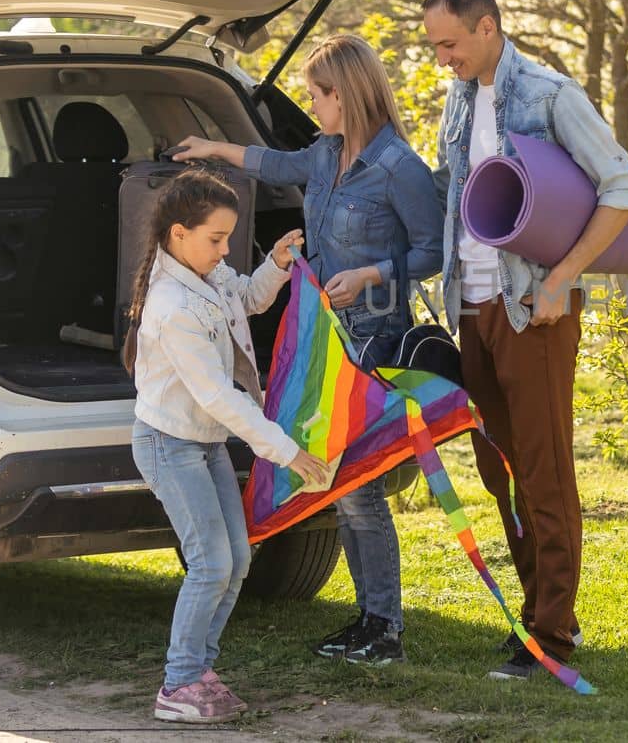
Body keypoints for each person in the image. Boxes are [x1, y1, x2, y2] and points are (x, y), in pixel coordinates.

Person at [172, 34, 444, 668]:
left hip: (373, 340)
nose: (312, 104)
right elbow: (271, 163)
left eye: (318, 95)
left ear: (346, 95)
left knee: (358, 488)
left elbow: (432, 253)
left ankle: (385, 627)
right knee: (341, 484)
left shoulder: (399, 167)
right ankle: (372, 619)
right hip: (325, 338)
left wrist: (372, 274)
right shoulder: (325, 155)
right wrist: (212, 147)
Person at [421, 0, 628, 680]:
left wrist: (560, 279)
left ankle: (553, 629)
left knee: (543, 469)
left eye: (450, 44)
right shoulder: (457, 103)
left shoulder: (550, 95)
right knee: (500, 467)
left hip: (534, 309)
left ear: (488, 26)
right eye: (434, 46)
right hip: (473, 308)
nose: (442, 59)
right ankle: (532, 614)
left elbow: (624, 187)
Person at [123, 169, 335, 724]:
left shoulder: (209, 278)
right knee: (211, 562)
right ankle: (178, 684)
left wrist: (277, 265)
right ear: (178, 234)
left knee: (236, 559)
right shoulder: (173, 307)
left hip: (206, 445)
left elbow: (246, 297)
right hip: (170, 445)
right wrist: (286, 451)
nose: (223, 250)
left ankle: (199, 670)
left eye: (227, 239)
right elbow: (217, 395)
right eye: (215, 239)